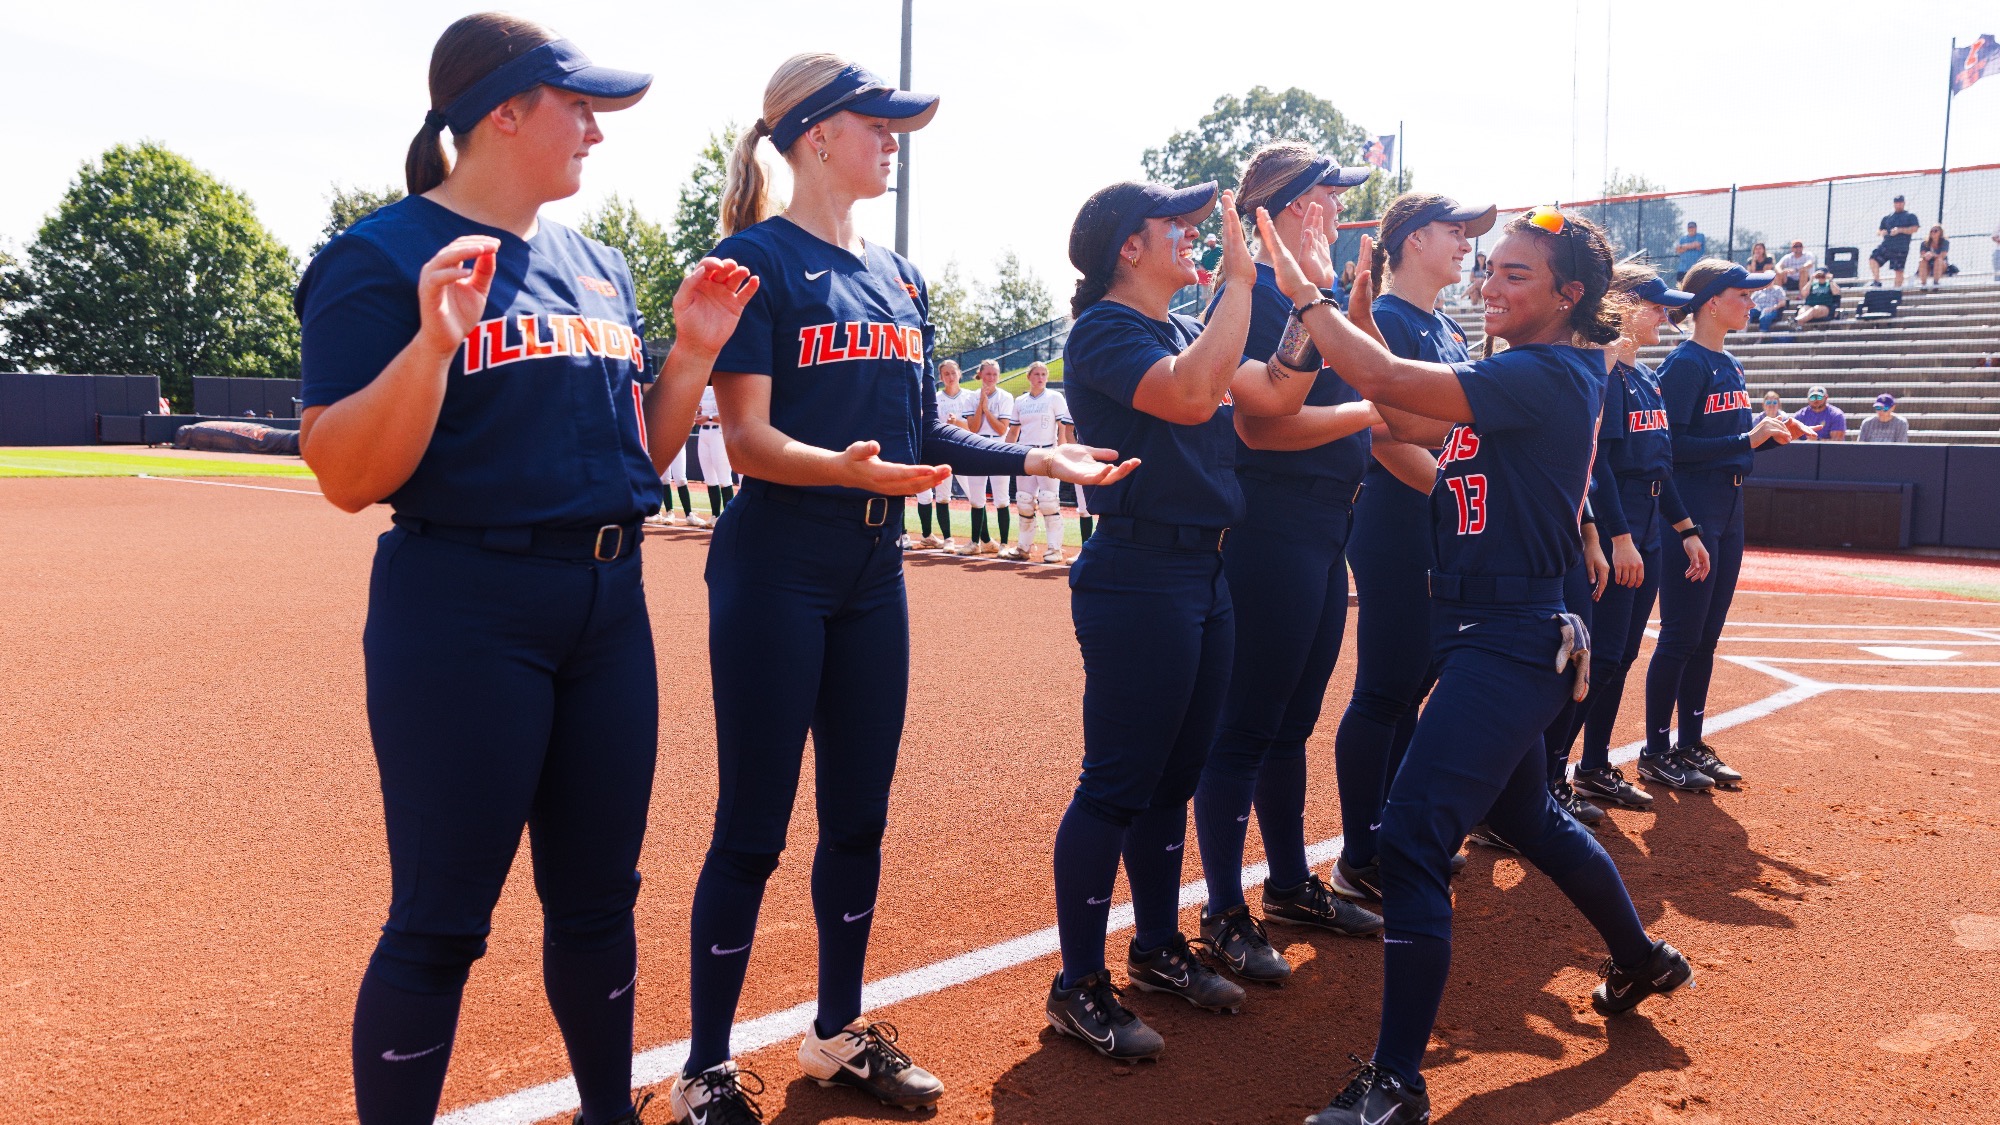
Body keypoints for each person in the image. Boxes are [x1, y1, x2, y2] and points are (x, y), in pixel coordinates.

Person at [295, 16, 754, 1124]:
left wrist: (689, 354)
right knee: (444, 918)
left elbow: (632, 457)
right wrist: (431, 344)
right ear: (502, 110)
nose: (596, 129)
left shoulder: (598, 267)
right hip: (464, 608)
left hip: (605, 606)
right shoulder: (378, 258)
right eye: (577, 106)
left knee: (599, 901)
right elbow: (347, 475)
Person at [671, 53, 1135, 1120]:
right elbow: (745, 439)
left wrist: (1035, 462)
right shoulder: (752, 262)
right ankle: (705, 1063)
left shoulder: (900, 275)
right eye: (875, 123)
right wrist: (839, 469)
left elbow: (922, 427)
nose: (892, 139)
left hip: (869, 572)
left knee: (859, 822)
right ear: (812, 134)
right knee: (752, 825)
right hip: (777, 563)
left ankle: (836, 1033)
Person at [1292, 206, 1691, 1125]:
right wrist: (1343, 314)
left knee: (1414, 834)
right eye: (1493, 270)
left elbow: (1389, 376)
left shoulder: (1546, 371)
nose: (1494, 285)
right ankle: (1638, 956)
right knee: (1528, 815)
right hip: (1487, 626)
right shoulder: (1521, 372)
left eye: (1517, 274)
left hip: (1512, 634)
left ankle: (1397, 1083)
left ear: (1568, 295)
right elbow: (1392, 410)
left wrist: (1308, 299)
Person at [1046, 180, 1318, 1061]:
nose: (1197, 237)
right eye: (1180, 226)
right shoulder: (1106, 331)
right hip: (1139, 571)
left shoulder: (1166, 328)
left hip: (1200, 570)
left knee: (1175, 775)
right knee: (1117, 781)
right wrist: (1241, 283)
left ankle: (1157, 946)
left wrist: (1310, 303)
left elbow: (1273, 392)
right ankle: (1077, 982)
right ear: (1130, 245)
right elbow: (1196, 395)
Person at [1188, 146, 1385, 989]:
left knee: (1292, 719)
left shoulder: (1315, 294)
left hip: (1324, 526)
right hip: (1271, 528)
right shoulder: (1259, 294)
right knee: (1245, 726)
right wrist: (1366, 412)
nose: (1339, 212)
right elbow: (1259, 428)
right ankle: (1224, 909)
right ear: (1290, 208)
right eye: (1328, 197)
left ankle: (1290, 882)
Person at [1327, 191, 1494, 903]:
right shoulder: (1387, 319)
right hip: (1398, 522)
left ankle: (1392, 835)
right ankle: (1361, 853)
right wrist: (1452, 500)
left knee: (1412, 689)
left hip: (1434, 524)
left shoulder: (1446, 326)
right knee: (1386, 688)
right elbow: (1380, 434)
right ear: (1412, 240)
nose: (1467, 243)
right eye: (1454, 231)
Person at [1558, 267, 1712, 814]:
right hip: (1618, 530)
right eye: (1655, 306)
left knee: (1619, 658)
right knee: (1594, 661)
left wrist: (1685, 529)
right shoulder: (1602, 375)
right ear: (1619, 305)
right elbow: (1595, 466)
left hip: (1646, 530)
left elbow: (1660, 468)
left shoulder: (1645, 376)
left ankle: (1594, 766)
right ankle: (1551, 774)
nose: (1665, 316)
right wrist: (1618, 537)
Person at [1643, 258, 1794, 795]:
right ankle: (1656, 750)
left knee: (1706, 639)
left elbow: (1725, 446)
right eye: (1742, 295)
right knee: (1681, 637)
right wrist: (1744, 441)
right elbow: (1669, 450)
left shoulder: (1728, 362)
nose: (1751, 303)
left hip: (1728, 511)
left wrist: (1763, 437)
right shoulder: (1684, 364)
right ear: (1710, 301)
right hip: (1694, 513)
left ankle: (1690, 743)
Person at [1000, 360, 1074, 563]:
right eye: (1036, 374)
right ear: (1029, 377)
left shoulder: (1055, 397)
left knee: (1049, 501)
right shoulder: (1020, 401)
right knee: (1024, 501)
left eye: (1043, 374)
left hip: (1047, 453)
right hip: (1024, 453)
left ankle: (1054, 548)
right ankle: (1023, 547)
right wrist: (1005, 453)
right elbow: (1013, 431)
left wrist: (1060, 451)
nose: (1040, 378)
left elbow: (1062, 427)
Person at [950, 359, 1015, 556]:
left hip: (997, 446)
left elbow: (1002, 428)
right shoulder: (971, 397)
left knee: (1002, 498)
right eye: (988, 374)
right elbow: (974, 428)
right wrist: (980, 404)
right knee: (977, 499)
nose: (991, 378)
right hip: (976, 446)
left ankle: (1004, 544)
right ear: (980, 375)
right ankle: (974, 542)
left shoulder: (1005, 396)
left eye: (995, 374)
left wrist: (987, 409)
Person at [915, 359, 972, 548]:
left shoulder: (969, 396)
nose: (950, 377)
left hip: (965, 450)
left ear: (959, 374)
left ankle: (980, 538)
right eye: (946, 374)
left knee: (975, 495)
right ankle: (948, 539)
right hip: (942, 451)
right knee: (942, 496)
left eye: (953, 373)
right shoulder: (936, 399)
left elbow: (975, 427)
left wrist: (957, 423)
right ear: (940, 377)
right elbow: (929, 425)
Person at [693, 382, 734, 525]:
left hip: (719, 433)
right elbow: (699, 410)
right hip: (703, 434)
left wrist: (708, 418)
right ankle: (715, 515)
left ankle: (730, 518)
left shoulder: (725, 388)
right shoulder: (703, 389)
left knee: (724, 478)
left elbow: (727, 416)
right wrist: (698, 414)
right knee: (709, 478)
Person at [1868, 195, 1921, 288]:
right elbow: (1879, 230)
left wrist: (1900, 230)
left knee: (1898, 270)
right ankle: (1876, 281)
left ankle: (1896, 291)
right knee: (1873, 258)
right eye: (1896, 202)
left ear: (1904, 203)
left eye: (1900, 202)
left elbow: (1915, 228)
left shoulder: (1910, 216)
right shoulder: (1887, 217)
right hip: (1887, 246)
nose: (1898, 204)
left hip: (1900, 247)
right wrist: (1882, 232)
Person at [649, 436, 695, 527]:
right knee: (664, 478)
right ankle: (669, 512)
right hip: (663, 441)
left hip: (678, 441)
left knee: (681, 479)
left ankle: (689, 514)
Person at [1915, 226, 1950, 290]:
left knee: (1938, 260)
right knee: (1922, 261)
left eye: (1935, 231)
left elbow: (1943, 256)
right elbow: (1922, 255)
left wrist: (1933, 255)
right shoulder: (1924, 243)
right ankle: (1923, 284)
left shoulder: (1945, 242)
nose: (1933, 232)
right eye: (1931, 231)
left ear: (1940, 232)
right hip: (1928, 266)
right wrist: (1926, 255)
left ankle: (1935, 284)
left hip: (1941, 266)